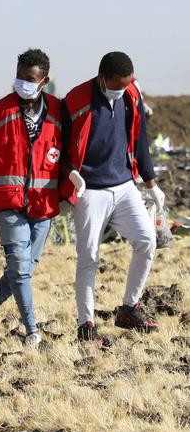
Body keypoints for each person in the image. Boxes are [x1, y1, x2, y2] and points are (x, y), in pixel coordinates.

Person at [60, 51, 163, 344]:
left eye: (128, 84)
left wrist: (152, 183)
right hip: (89, 190)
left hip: (125, 185)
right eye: (117, 85)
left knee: (147, 241)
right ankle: (86, 326)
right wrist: (70, 176)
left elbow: (140, 138)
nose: (123, 90)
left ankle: (128, 309)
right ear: (102, 78)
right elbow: (60, 148)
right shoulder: (76, 100)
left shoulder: (130, 94)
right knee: (89, 256)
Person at [0, 49, 62, 347]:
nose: (23, 83)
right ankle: (33, 333)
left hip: (43, 204)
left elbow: (69, 155)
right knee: (20, 270)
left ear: (43, 80)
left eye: (30, 79)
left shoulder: (59, 112)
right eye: (19, 76)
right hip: (8, 201)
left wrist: (69, 192)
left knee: (21, 271)